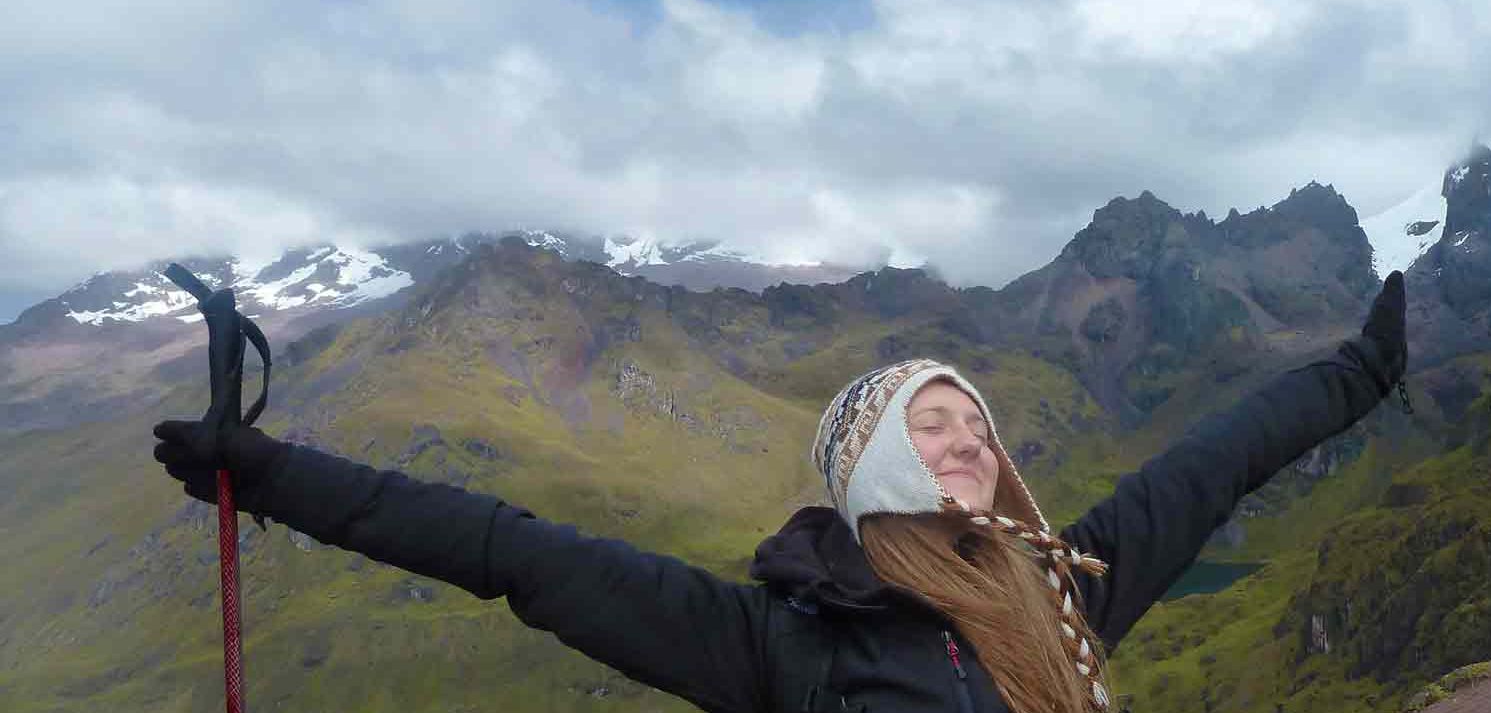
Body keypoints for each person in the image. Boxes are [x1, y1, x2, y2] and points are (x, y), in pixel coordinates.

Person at [153, 271, 1410, 713]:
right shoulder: (783, 643)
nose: (973, 438)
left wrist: (1361, 369)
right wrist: (268, 475)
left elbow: (1223, 454)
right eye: (937, 422)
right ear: (873, 468)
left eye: (977, 419)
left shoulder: (1064, 590)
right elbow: (506, 550)